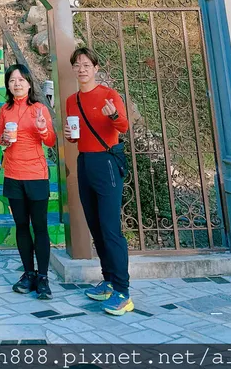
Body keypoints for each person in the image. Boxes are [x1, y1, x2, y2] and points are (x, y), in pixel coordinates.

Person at [65, 46, 132, 316]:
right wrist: (71, 136)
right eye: (77, 65)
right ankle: (107, 280)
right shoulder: (72, 100)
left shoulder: (108, 94)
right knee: (95, 224)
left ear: (96, 68)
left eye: (86, 65)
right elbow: (75, 135)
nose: (81, 69)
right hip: (84, 161)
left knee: (110, 227)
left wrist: (112, 115)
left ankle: (123, 291)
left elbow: (124, 126)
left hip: (106, 162)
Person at [0, 63, 56, 299]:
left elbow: (50, 141)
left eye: (21, 79)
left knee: (39, 226)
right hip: (12, 175)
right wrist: (4, 138)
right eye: (12, 80)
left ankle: (43, 277)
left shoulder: (39, 108)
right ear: (8, 86)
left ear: (29, 83)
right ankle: (28, 273)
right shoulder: (4, 110)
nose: (17, 84)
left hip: (36, 175)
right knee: (21, 227)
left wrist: (42, 129)